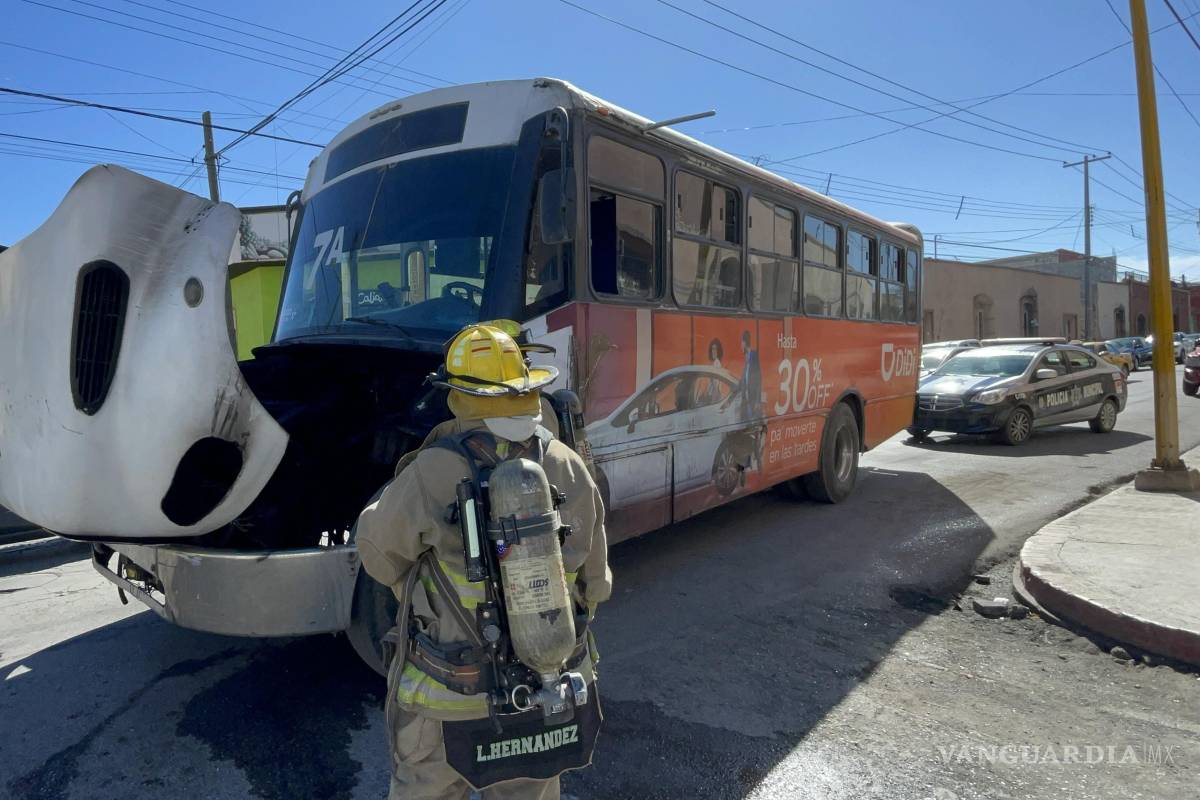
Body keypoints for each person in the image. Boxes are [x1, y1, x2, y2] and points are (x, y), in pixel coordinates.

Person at [356, 321, 611, 800]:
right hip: (544, 691)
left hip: (448, 702)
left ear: (458, 396)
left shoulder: (434, 469)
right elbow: (595, 585)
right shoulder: (567, 464)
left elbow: (376, 555)